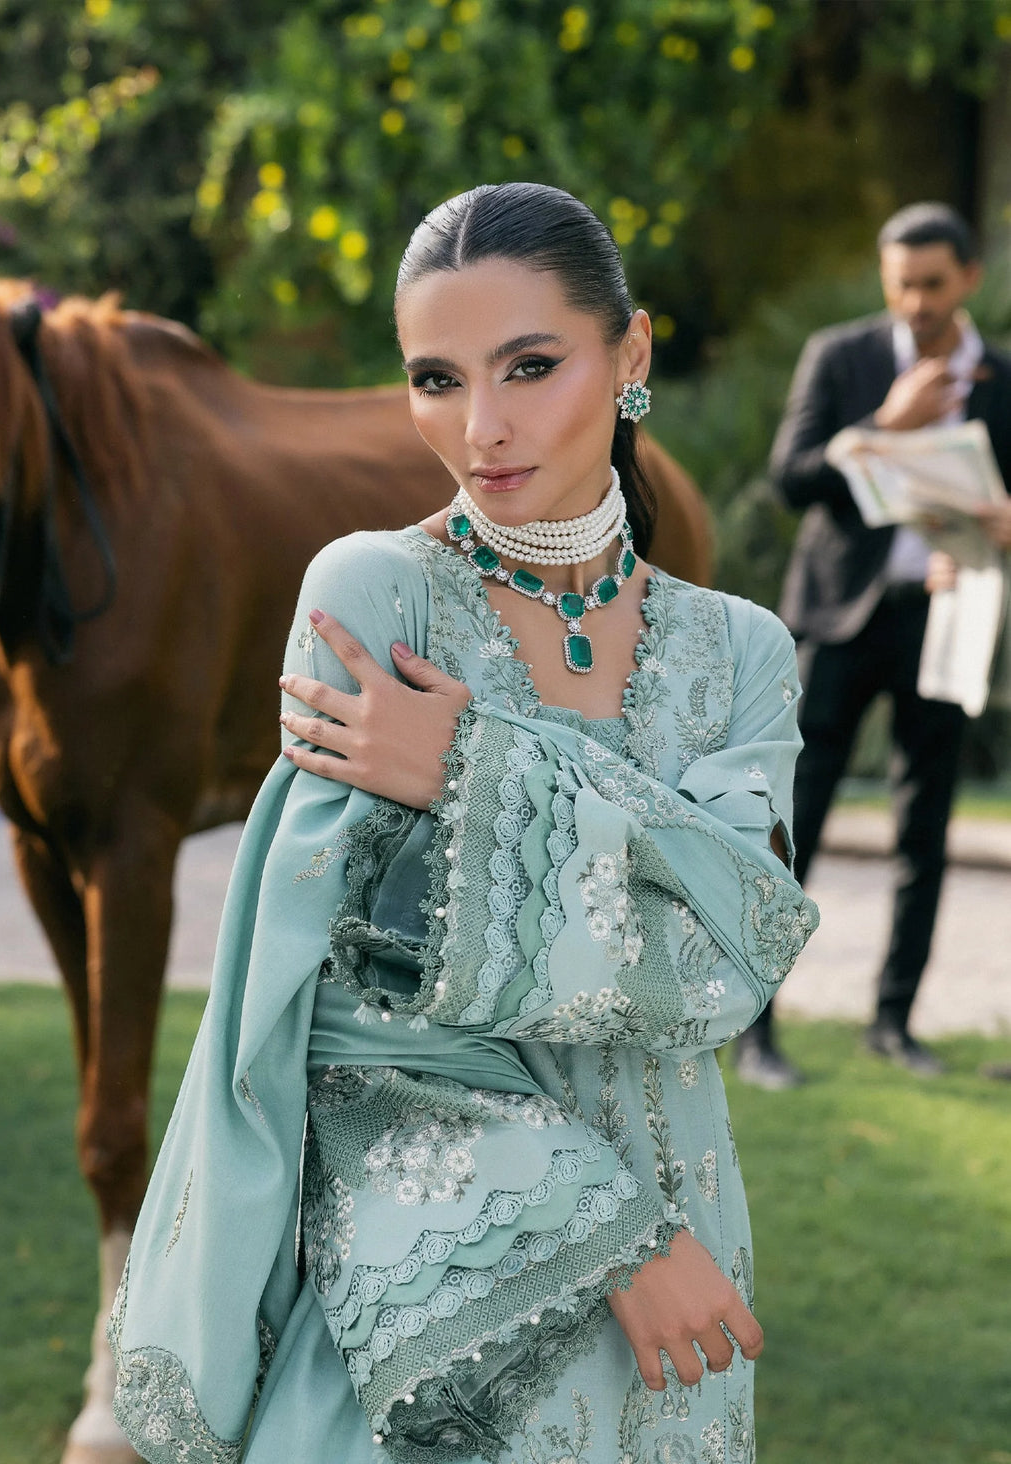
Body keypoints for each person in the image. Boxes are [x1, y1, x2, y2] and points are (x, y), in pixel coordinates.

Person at [108, 183, 818, 1464]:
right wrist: (622, 1244)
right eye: (436, 379)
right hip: (443, 1282)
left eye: (529, 367)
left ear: (631, 355)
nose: (479, 427)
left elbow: (728, 963)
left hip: (688, 1282)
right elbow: (333, 1004)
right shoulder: (374, 596)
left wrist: (471, 768)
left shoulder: (743, 653)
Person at [735, 201, 1011, 1091]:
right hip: (837, 620)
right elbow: (791, 477)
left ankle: (893, 1023)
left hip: (945, 620)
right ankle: (755, 1032)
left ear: (969, 279)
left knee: (924, 828)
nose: (917, 303)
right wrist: (884, 426)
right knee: (793, 824)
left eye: (933, 284)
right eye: (902, 286)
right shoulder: (842, 357)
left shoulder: (1003, 377)